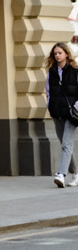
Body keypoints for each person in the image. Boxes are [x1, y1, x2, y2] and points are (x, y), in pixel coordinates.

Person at [44, 41, 78, 186]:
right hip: (57, 113)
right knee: (65, 145)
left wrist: (77, 107)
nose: (57, 56)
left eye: (60, 53)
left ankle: (61, 174)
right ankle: (76, 173)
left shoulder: (75, 72)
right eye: (55, 54)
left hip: (72, 113)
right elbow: (48, 92)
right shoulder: (51, 73)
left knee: (66, 143)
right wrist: (50, 106)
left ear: (66, 54)